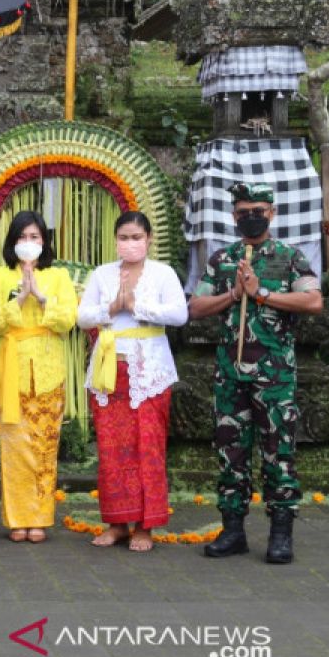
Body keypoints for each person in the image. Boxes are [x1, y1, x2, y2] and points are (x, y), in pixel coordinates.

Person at [189, 183, 323, 564]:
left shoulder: (289, 257)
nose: (251, 216)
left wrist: (260, 292)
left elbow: (313, 300)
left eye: (258, 210)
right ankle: (233, 531)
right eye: (244, 210)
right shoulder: (221, 259)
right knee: (230, 451)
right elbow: (196, 307)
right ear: (234, 216)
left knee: (278, 451)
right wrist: (233, 294)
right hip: (231, 373)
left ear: (272, 213)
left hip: (274, 375)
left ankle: (281, 534)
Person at [77, 211, 188, 552]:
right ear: (115, 241)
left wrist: (137, 306)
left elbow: (180, 314)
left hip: (150, 373)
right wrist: (112, 307)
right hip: (110, 373)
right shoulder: (101, 274)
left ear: (149, 239)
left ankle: (144, 526)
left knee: (148, 448)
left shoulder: (163, 273)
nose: (130, 243)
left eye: (136, 237)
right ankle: (116, 523)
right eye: (124, 238)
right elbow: (82, 317)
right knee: (112, 450)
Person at [0, 211, 77, 544]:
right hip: (13, 370)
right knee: (14, 447)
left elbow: (67, 320)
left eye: (35, 237)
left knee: (44, 447)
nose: (29, 243)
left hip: (49, 371)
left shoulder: (58, 276)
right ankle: (17, 520)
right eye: (22, 237)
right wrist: (19, 295)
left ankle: (39, 518)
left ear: (44, 241)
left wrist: (40, 295)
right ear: (12, 242)